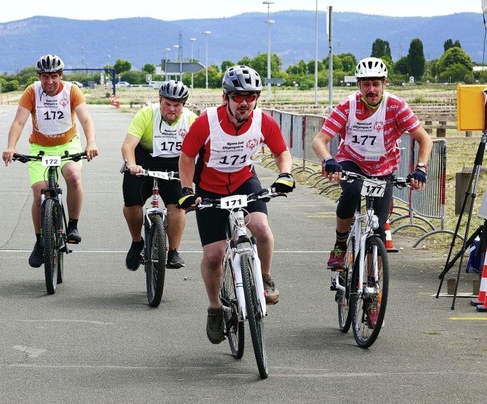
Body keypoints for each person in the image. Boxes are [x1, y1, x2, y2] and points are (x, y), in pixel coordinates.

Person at [177, 65, 295, 344]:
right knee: (215, 255)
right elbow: (186, 158)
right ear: (225, 97)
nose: (244, 103)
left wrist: (285, 174)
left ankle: (264, 277)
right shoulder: (206, 122)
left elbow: (282, 152)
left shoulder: (263, 121)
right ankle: (215, 308)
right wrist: (186, 189)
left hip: (244, 181)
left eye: (250, 97)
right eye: (237, 97)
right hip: (210, 189)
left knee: (262, 229)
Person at [311, 56, 433, 270]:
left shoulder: (396, 106)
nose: (371, 89)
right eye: (366, 84)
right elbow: (319, 140)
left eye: (376, 83)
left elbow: (425, 139)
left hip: (383, 169)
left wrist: (421, 168)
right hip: (352, 162)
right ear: (359, 85)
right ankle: (340, 244)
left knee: (377, 230)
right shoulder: (348, 105)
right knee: (351, 192)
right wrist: (329, 159)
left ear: (384, 84)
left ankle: (371, 290)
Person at [1, 54, 98, 268]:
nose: (50, 82)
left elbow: (86, 119)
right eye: (45, 77)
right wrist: (11, 146)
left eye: (54, 76)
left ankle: (72, 225)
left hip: (68, 143)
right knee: (39, 193)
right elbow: (18, 122)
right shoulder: (31, 92)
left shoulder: (72, 90)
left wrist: (90, 142)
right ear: (39, 77)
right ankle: (39, 241)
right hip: (40, 147)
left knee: (73, 176)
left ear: (61, 75)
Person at [121, 80, 197, 271]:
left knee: (178, 205)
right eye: (167, 104)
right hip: (144, 161)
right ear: (160, 101)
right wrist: (132, 164)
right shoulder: (146, 114)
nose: (171, 109)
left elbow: (202, 153)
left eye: (177, 105)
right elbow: (128, 145)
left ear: (183, 105)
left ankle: (173, 251)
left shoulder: (191, 120)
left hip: (175, 164)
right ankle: (137, 242)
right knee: (132, 203)